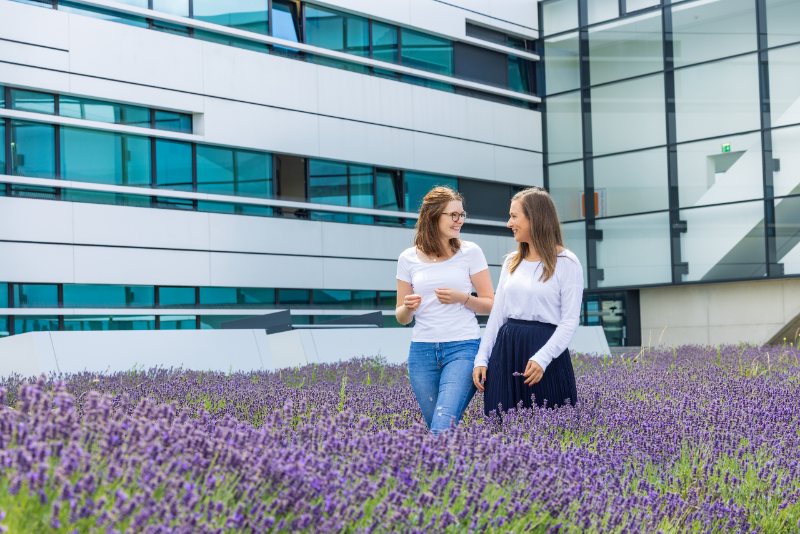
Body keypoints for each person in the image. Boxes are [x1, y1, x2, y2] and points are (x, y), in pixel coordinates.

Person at [472, 187, 583, 415]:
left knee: (550, 425)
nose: (509, 223)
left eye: (514, 216)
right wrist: (481, 358)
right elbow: (498, 315)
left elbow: (569, 321)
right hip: (506, 352)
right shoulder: (512, 262)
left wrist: (542, 358)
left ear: (535, 218)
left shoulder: (567, 263)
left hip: (545, 355)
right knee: (499, 422)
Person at [396, 186, 494, 433]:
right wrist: (407, 307)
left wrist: (463, 298)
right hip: (421, 352)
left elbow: (491, 304)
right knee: (438, 430)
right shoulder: (407, 258)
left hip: (462, 348)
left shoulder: (470, 252)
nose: (459, 220)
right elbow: (401, 317)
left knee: (441, 427)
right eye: (453, 215)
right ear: (433, 216)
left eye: (462, 214)